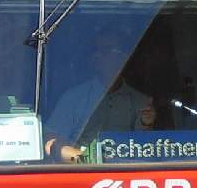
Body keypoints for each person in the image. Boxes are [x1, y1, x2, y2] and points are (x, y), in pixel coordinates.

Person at [44, 30, 150, 162]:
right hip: (81, 172)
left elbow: (148, 151)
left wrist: (147, 124)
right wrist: (84, 160)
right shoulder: (73, 98)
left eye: (105, 50)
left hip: (127, 174)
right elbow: (51, 140)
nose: (97, 56)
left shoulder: (141, 102)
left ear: (124, 57)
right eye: (95, 51)